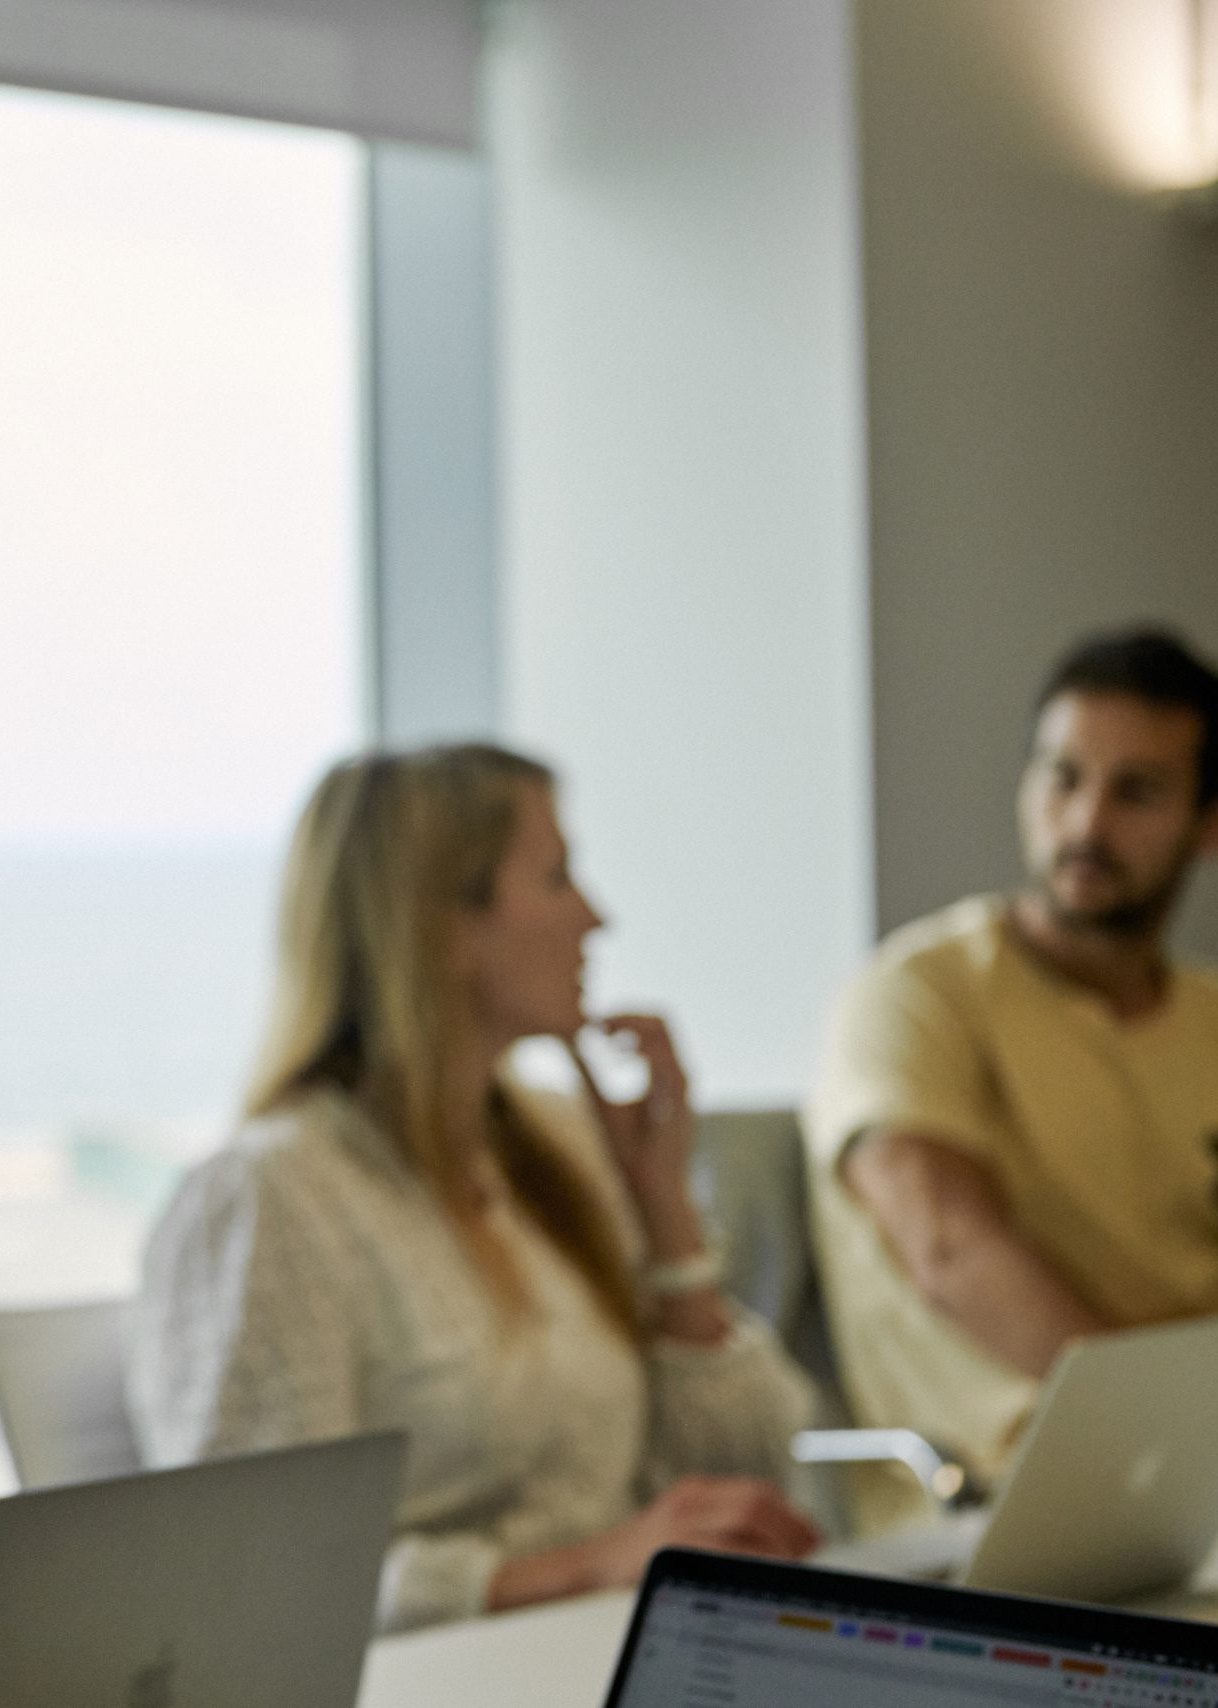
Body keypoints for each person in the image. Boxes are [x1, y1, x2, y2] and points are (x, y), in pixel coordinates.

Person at [127, 745, 817, 1635]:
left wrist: (665, 1210)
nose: (596, 918)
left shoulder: (562, 1146)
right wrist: (577, 1569)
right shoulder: (272, 1200)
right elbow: (250, 1586)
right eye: (558, 878)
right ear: (442, 923)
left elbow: (753, 1474)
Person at [806, 627, 1218, 1527]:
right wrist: (1184, 1452)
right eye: (1062, 777)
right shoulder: (916, 995)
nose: (1086, 825)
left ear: (1208, 824)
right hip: (1002, 1504)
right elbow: (946, 1247)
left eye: (1137, 792)